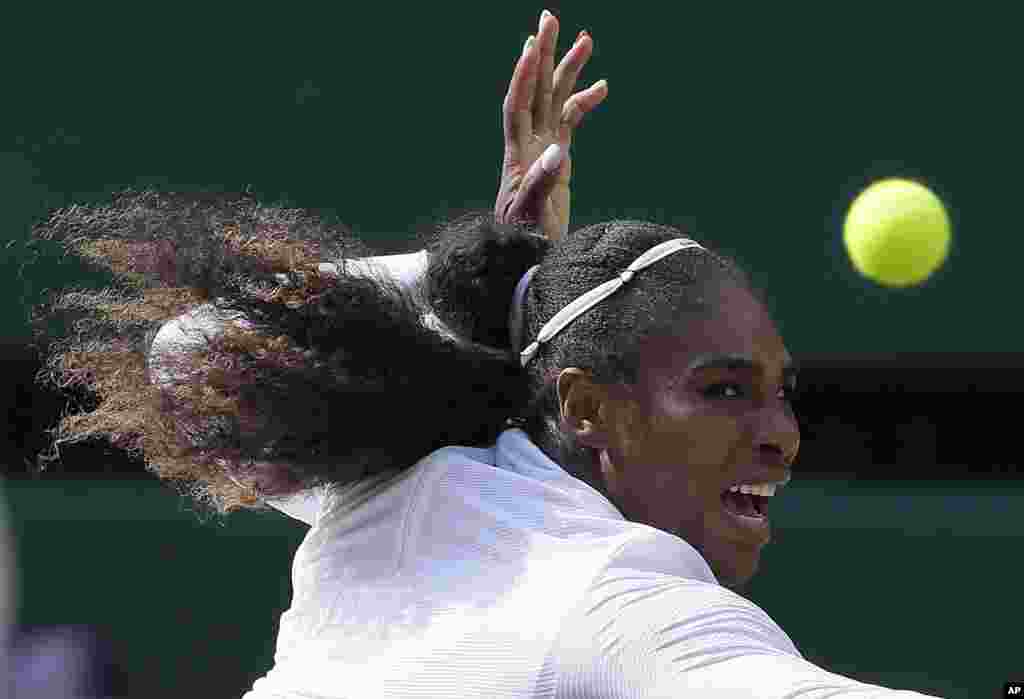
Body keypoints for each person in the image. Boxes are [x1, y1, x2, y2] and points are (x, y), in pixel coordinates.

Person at [26, 10, 943, 698]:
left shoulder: (401, 478)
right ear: (585, 407)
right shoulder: (621, 592)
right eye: (724, 389)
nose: (780, 434)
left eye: (782, 395)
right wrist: (496, 271)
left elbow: (188, 350)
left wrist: (488, 274)